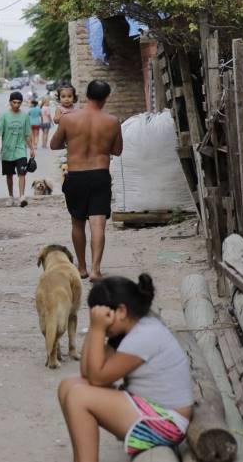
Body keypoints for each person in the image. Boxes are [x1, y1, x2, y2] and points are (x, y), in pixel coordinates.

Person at [58, 275, 194, 461]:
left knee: (78, 396)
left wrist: (98, 330)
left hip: (166, 423)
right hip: (151, 410)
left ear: (121, 311)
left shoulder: (144, 336)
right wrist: (94, 327)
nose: (102, 321)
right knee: (68, 385)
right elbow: (87, 373)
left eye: (104, 315)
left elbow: (98, 378)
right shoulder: (133, 327)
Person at [50, 80, 122, 279]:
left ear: (86, 95)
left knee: (77, 223)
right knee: (98, 224)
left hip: (76, 176)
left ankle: (81, 268)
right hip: (100, 175)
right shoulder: (112, 121)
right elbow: (117, 150)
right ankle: (96, 269)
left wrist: (71, 140)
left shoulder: (68, 119)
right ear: (106, 98)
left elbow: (54, 145)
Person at [0, 90, 36, 207]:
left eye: (19, 103)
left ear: (21, 103)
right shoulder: (4, 116)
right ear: (10, 102)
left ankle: (22, 196)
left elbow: (28, 134)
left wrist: (32, 148)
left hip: (20, 150)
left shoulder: (24, 116)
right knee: (9, 175)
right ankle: (11, 196)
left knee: (22, 173)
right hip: (7, 151)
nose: (16, 105)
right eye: (14, 102)